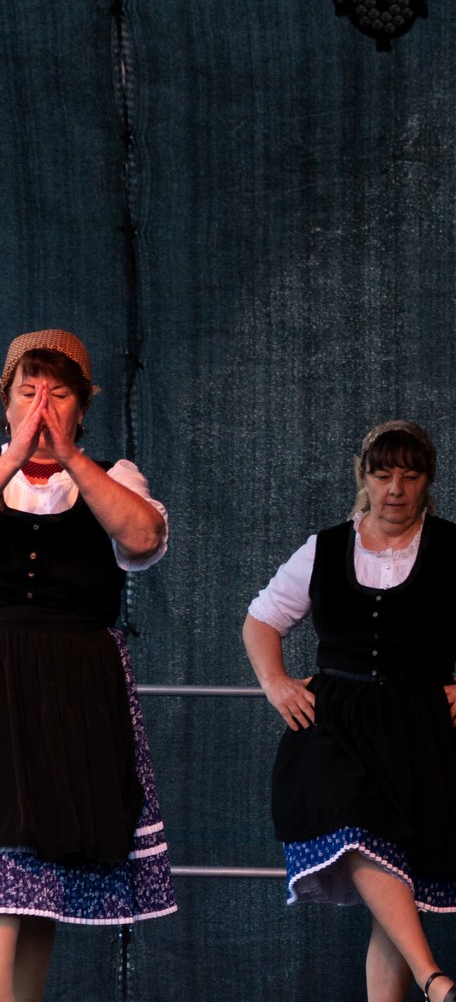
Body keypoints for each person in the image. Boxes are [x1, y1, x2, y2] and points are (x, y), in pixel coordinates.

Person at [243, 421, 456, 1002]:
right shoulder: (324, 547)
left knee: (396, 883)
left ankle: (421, 980)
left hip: (419, 730)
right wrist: (275, 682)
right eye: (384, 474)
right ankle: (432, 978)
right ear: (363, 477)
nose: (395, 489)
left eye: (410, 476)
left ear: (427, 481)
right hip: (334, 725)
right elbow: (262, 618)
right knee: (354, 827)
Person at [0, 329, 174, 1002]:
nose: (42, 407)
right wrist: (15, 457)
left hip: (72, 689)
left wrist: (69, 458)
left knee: (44, 873)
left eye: (60, 394)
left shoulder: (112, 476)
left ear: (83, 406)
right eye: (28, 392)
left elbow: (142, 537)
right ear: (7, 404)